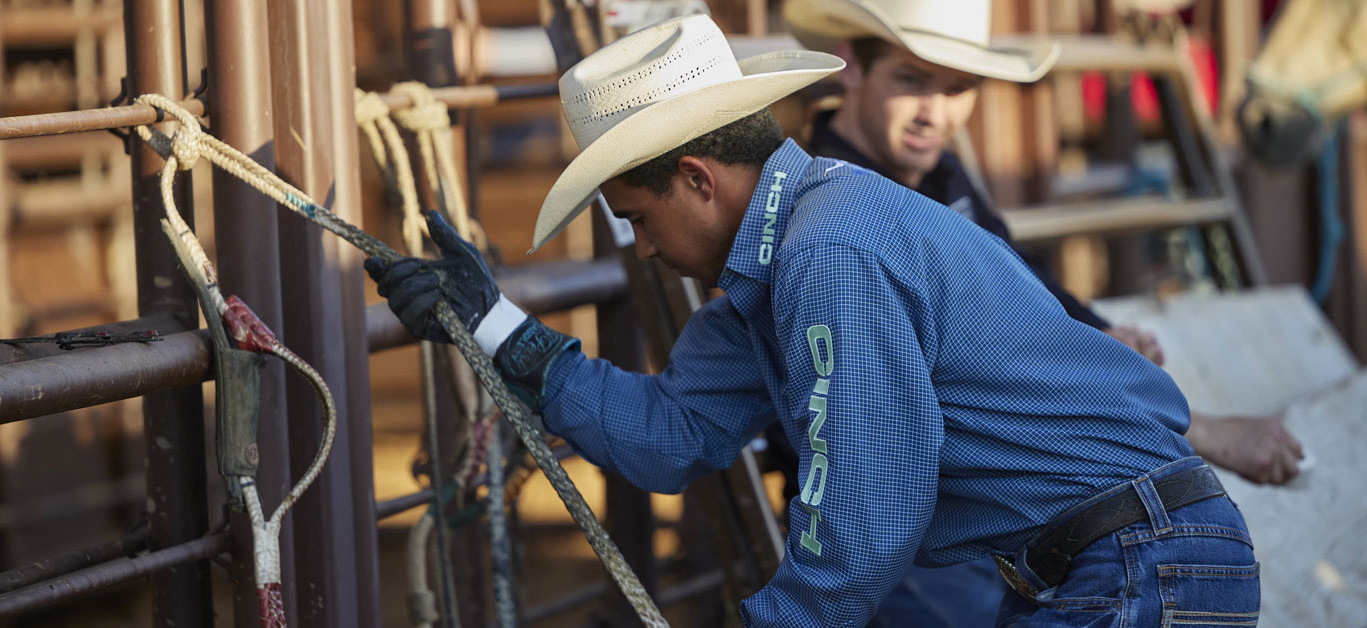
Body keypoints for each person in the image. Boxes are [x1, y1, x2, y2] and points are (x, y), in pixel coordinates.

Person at [367, 14, 1259, 627]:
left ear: (697, 179)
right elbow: (670, 436)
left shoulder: (826, 257)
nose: (640, 248)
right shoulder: (784, 260)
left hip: (1128, 565)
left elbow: (865, 527)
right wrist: (495, 328)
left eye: (636, 217)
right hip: (1124, 562)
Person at [783, 0, 1305, 490]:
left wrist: (1101, 337)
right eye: (912, 80)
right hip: (895, 507)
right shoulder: (838, 209)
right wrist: (1198, 430)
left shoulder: (935, 173)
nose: (935, 115)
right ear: (850, 65)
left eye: (959, 88)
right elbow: (972, 361)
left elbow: (1019, 279)